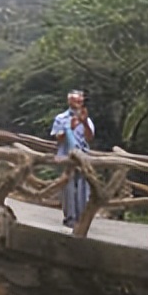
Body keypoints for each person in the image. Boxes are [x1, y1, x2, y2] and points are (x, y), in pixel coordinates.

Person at [50, 89, 94, 228]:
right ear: (69, 101)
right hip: (66, 156)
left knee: (82, 187)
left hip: (83, 156)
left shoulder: (87, 118)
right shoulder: (60, 118)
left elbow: (89, 138)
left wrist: (84, 122)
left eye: (80, 101)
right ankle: (70, 218)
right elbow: (58, 137)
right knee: (68, 186)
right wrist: (70, 127)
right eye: (75, 100)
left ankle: (81, 217)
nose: (78, 103)